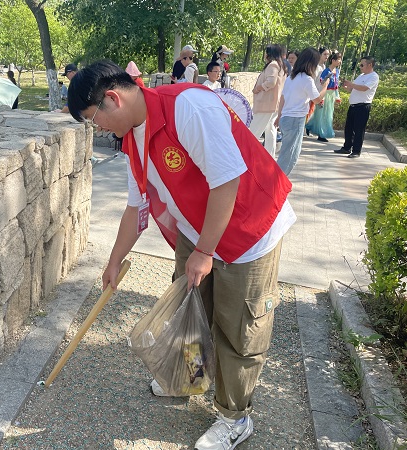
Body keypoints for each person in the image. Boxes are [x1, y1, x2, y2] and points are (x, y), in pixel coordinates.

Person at [67, 60, 295, 450]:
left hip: (249, 227)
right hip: (198, 227)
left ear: (113, 99)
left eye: (93, 120)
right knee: (191, 312)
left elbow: (227, 181)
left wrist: (205, 252)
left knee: (238, 328)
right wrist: (113, 261)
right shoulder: (132, 137)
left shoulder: (188, 107)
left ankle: (234, 417)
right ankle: (192, 379)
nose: (97, 129)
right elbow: (136, 207)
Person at [275, 47, 330, 175]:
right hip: (295, 120)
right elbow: (317, 99)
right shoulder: (306, 79)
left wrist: (279, 116)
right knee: (290, 156)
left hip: (285, 118)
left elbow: (283, 98)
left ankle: (277, 181)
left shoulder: (291, 78)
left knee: (286, 153)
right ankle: (277, 182)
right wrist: (325, 87)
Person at [334, 56, 379, 159]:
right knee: (348, 128)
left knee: (359, 130)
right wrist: (347, 86)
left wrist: (352, 84)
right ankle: (347, 147)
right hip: (353, 106)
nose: (360, 67)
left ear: (370, 65)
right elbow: (353, 89)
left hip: (362, 107)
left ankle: (356, 151)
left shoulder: (373, 76)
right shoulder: (361, 76)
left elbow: (364, 88)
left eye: (362, 65)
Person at [249, 44, 288, 157]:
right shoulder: (281, 66)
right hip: (274, 104)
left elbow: (271, 82)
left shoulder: (273, 65)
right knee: (270, 130)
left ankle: (247, 154)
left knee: (254, 130)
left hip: (266, 104)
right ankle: (269, 155)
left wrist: (258, 88)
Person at [306, 52, 342, 142]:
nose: (340, 61)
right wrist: (326, 80)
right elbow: (321, 83)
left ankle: (309, 126)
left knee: (328, 114)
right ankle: (321, 134)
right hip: (325, 93)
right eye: (338, 59)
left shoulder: (337, 71)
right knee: (322, 114)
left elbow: (336, 85)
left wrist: (337, 96)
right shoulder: (326, 71)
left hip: (331, 94)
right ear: (333, 60)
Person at [305, 47, 330, 139]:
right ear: (319, 55)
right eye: (325, 54)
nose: (326, 56)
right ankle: (304, 129)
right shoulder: (315, 66)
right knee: (308, 110)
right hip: (312, 92)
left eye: (328, 54)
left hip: (319, 92)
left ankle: (307, 129)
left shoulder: (324, 67)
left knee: (312, 111)